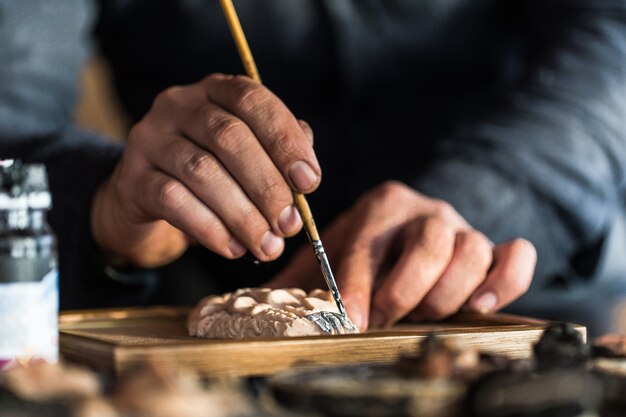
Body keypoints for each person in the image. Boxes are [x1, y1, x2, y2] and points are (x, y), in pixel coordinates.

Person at [1, 0, 625, 332]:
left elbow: (612, 45)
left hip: (518, 310)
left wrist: (480, 200)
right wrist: (108, 211)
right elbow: (10, 124)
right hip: (197, 331)